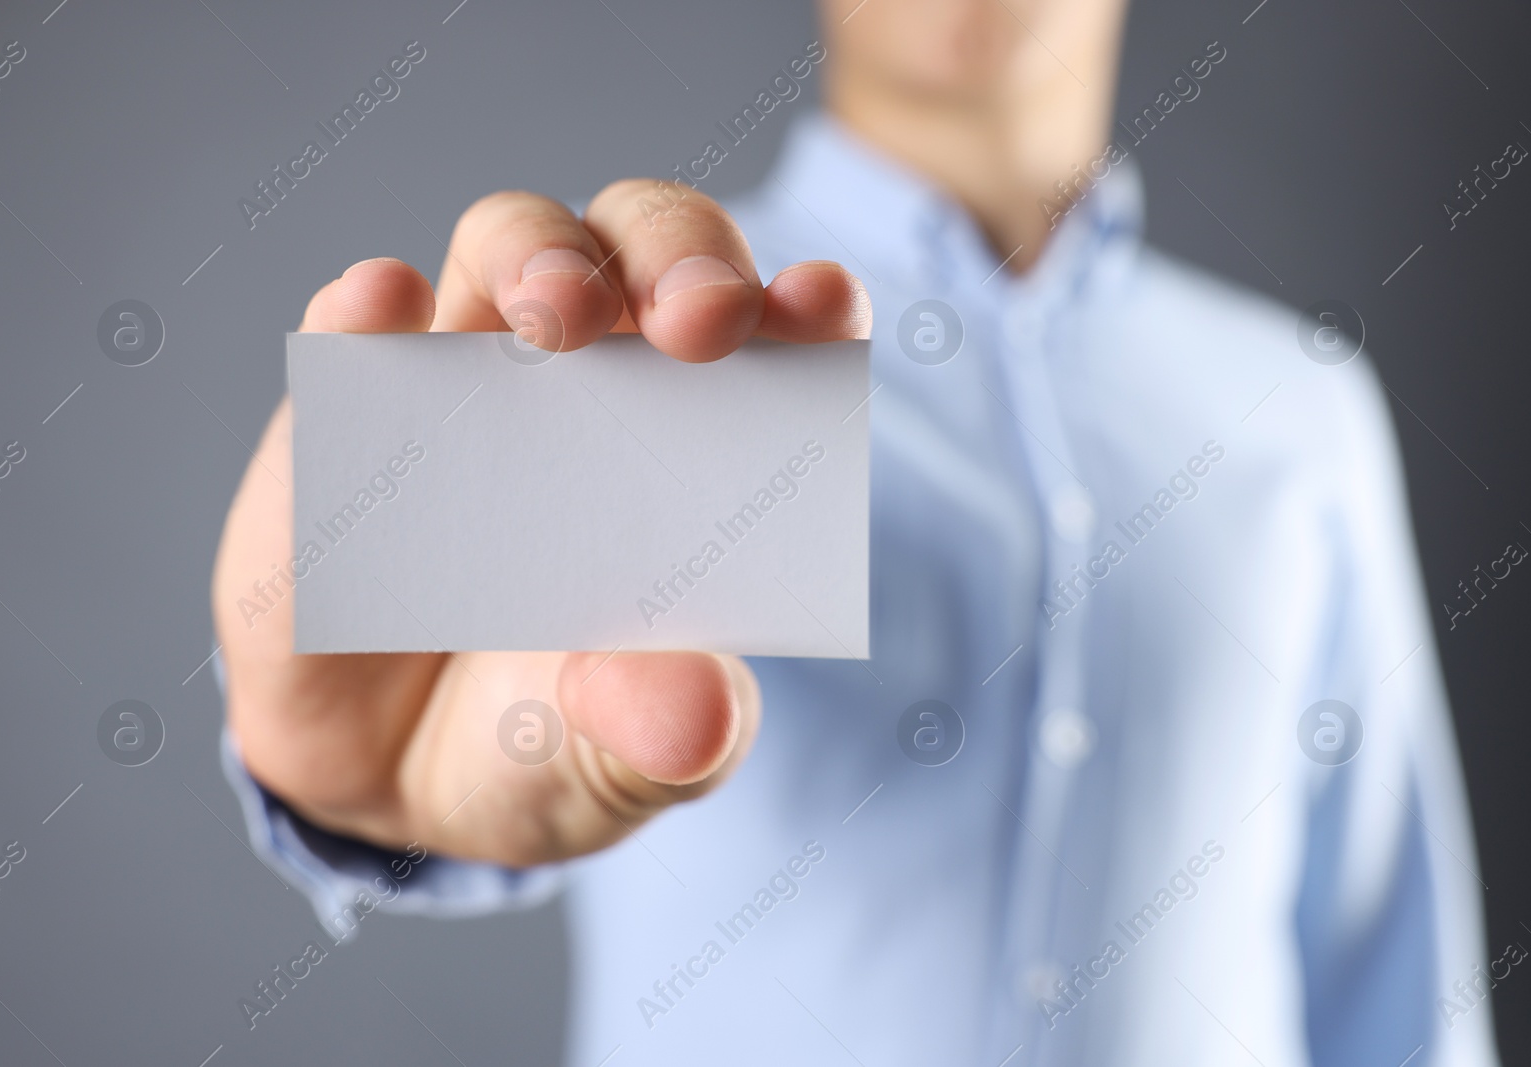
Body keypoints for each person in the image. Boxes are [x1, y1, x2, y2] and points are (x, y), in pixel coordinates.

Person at [212, 0, 1498, 1062]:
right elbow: (450, 719)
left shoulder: (1300, 410)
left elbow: (1391, 980)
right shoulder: (646, 354)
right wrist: (366, 796)